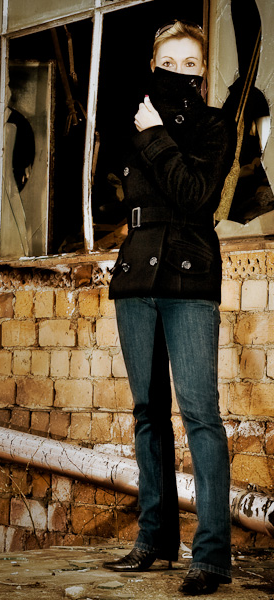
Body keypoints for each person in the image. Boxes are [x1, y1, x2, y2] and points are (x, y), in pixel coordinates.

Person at [103, 21, 236, 596]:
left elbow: (194, 196)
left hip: (190, 276)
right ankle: (154, 539)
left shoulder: (214, 126)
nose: (179, 71)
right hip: (135, 276)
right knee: (147, 413)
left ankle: (212, 556)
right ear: (153, 64)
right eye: (169, 61)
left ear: (202, 72)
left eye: (190, 64)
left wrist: (156, 136)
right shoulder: (130, 122)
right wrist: (145, 131)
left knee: (200, 415)